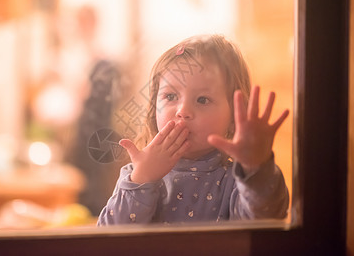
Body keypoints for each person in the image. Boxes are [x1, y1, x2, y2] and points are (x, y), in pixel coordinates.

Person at [97, 34, 289, 225]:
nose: (183, 111)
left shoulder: (237, 181)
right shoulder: (136, 173)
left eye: (202, 100)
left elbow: (266, 218)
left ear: (233, 118)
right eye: (170, 96)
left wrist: (257, 168)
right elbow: (106, 241)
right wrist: (141, 179)